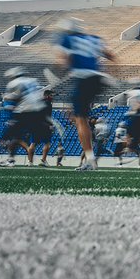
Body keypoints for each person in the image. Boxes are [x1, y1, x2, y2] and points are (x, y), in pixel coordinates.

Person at [54, 17, 116, 171]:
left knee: (80, 120)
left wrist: (61, 71)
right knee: (81, 117)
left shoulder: (66, 38)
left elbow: (64, 60)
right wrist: (113, 74)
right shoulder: (93, 38)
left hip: (83, 78)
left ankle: (90, 160)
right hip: (98, 79)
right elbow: (112, 56)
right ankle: (89, 158)